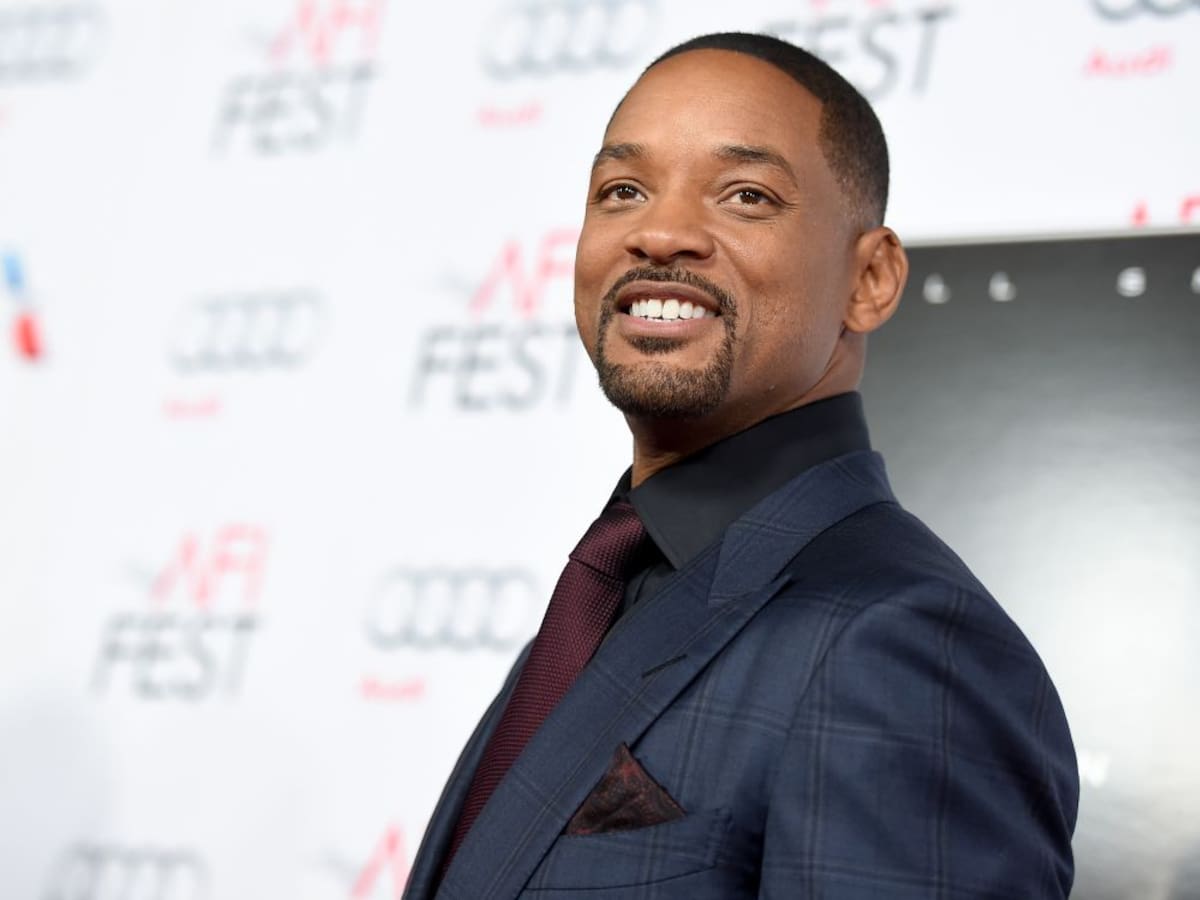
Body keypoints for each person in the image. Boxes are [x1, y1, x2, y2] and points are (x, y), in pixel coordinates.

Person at [404, 32, 1078, 899]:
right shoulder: (605, 596)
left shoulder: (902, 644)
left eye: (746, 195)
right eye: (623, 190)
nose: (660, 232)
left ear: (870, 279)